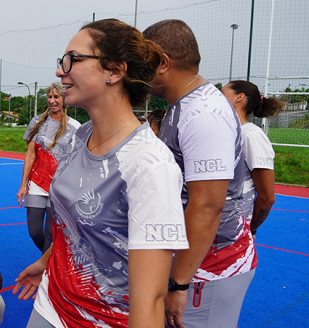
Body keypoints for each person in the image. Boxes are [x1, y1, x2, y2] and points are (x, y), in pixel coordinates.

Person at [12, 19, 188, 327]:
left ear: (115, 71)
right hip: (51, 305)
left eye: (72, 60)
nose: (59, 71)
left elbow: (150, 300)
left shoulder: (149, 165)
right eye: (61, 61)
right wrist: (45, 261)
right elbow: (74, 225)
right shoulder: (81, 137)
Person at [144, 19, 257, 328]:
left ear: (163, 63)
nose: (139, 73)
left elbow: (208, 204)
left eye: (144, 63)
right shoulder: (185, 105)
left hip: (210, 267)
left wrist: (179, 283)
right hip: (196, 262)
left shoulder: (203, 114)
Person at [17, 82, 80, 253]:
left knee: (50, 235)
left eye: (56, 97)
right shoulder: (37, 122)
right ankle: (51, 260)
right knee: (35, 231)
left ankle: (46, 272)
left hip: (59, 189)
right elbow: (30, 154)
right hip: (36, 185)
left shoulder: (75, 127)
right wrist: (23, 185)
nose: (52, 101)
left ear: (64, 99)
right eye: (50, 97)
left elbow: (76, 161)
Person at [222, 80, 282, 235]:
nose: (217, 97)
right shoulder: (224, 133)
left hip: (234, 233)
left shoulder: (251, 135)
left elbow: (267, 197)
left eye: (222, 93)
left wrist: (250, 228)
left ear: (239, 97)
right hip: (214, 229)